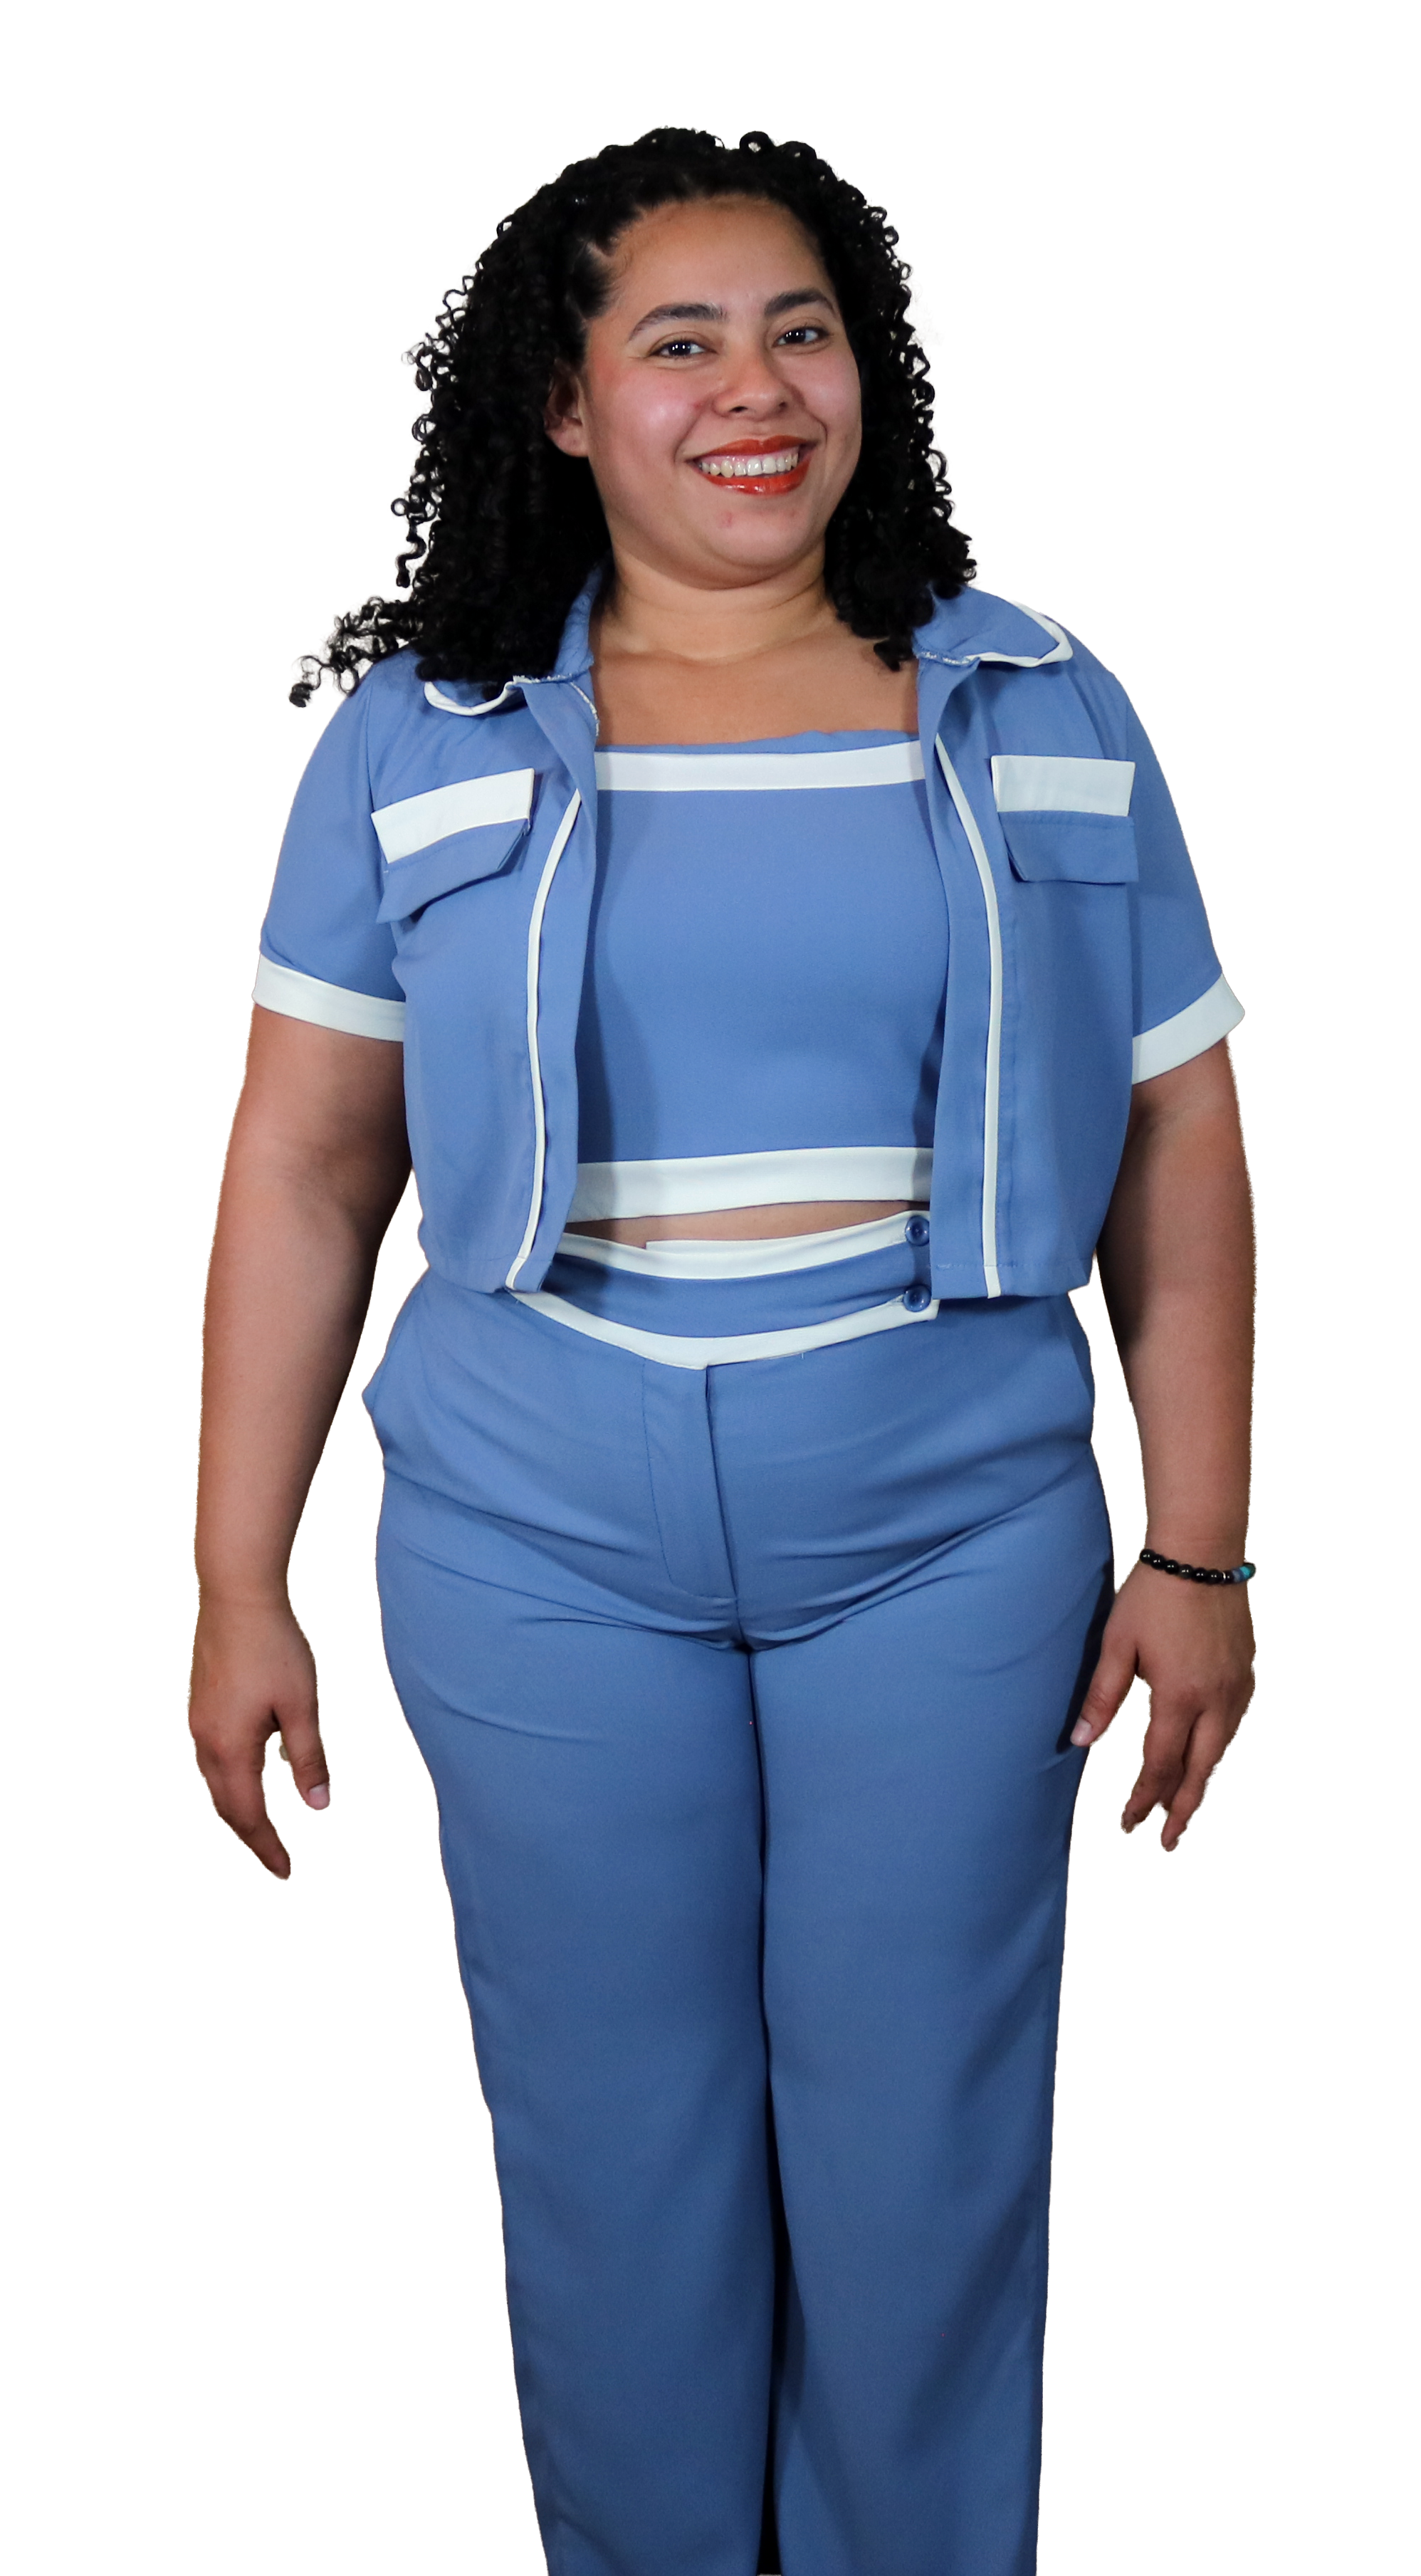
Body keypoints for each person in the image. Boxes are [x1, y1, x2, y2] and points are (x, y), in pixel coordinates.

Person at [189, 127, 1256, 2576]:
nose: (754, 389)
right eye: (677, 343)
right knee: (618, 2168)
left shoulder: (1034, 699)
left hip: (947, 1541)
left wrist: (1197, 1554)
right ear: (564, 406)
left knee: (917, 2164)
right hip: (531, 1545)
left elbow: (1172, 1144)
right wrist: (239, 1580)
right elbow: (306, 1170)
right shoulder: (425, 732)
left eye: (800, 332)